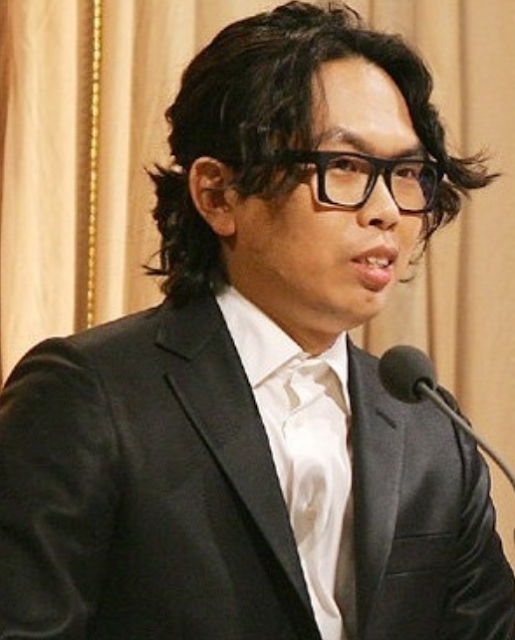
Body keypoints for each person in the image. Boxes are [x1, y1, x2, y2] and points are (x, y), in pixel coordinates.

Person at [0, 1, 513, 639]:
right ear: (218, 194)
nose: (386, 210)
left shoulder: (431, 430)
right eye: (345, 167)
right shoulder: (88, 396)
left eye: (407, 174)